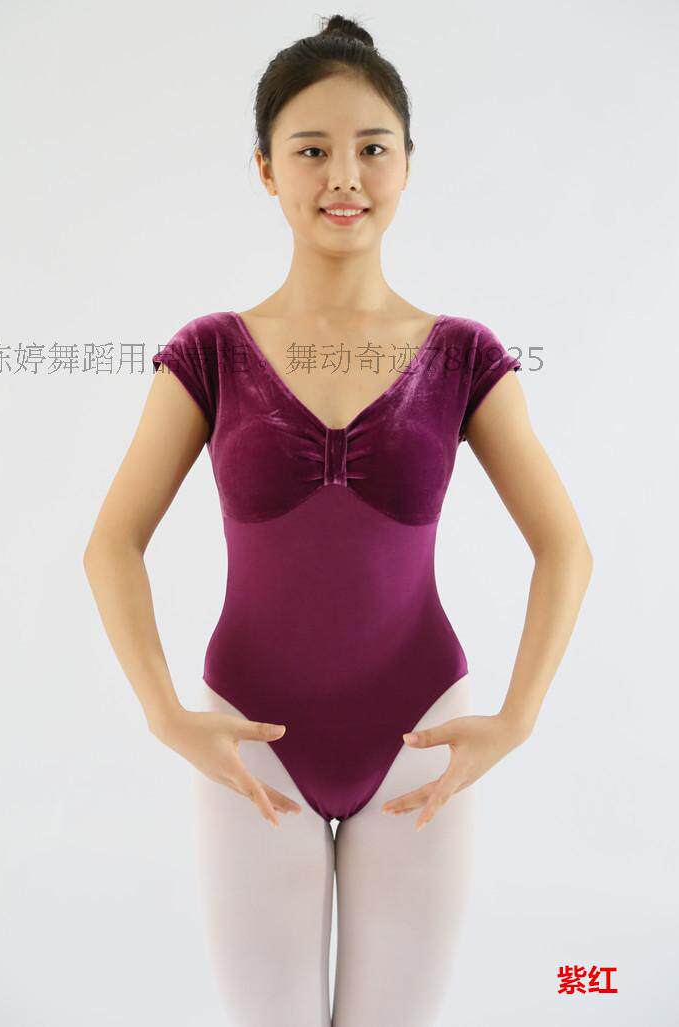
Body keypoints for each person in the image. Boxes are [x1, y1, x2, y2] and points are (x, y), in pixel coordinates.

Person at [83, 14, 593, 1027]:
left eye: (372, 148)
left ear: (407, 164)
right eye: (311, 150)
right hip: (248, 739)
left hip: (420, 734)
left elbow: (564, 545)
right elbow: (113, 542)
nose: (344, 177)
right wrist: (163, 712)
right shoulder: (210, 353)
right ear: (265, 169)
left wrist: (519, 716)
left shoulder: (464, 355)